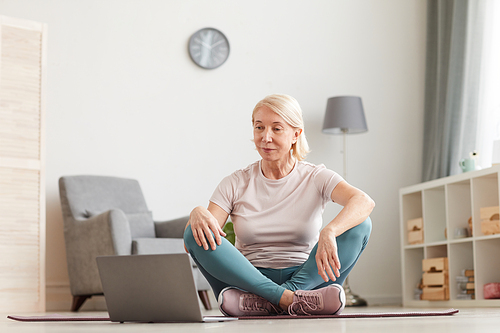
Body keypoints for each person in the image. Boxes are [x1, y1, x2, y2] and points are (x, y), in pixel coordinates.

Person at [183, 94, 374, 317]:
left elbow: (364, 201)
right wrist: (197, 212)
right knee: (193, 232)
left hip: (307, 278)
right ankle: (293, 301)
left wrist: (330, 231)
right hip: (249, 279)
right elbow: (197, 241)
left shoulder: (315, 176)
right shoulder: (235, 182)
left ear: (296, 134)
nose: (265, 137)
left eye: (276, 129)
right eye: (259, 127)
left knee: (361, 224)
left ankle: (269, 301)